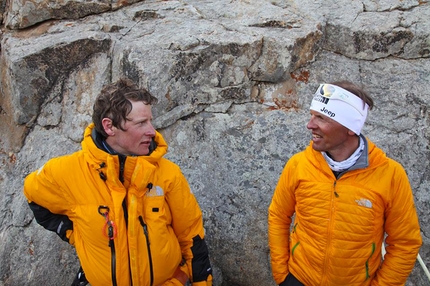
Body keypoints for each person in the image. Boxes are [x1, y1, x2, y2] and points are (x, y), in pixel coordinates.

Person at [23, 78, 213, 286]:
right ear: (109, 126)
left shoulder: (168, 174)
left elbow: (191, 236)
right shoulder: (68, 172)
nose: (152, 131)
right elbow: (33, 194)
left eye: (150, 121)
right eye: (141, 123)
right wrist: (74, 233)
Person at [268, 81, 422, 286]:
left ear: (350, 128)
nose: (310, 124)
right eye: (312, 115)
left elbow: (405, 243)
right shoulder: (299, 165)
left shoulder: (390, 175)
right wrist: (282, 275)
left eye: (321, 118)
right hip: (299, 278)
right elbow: (278, 216)